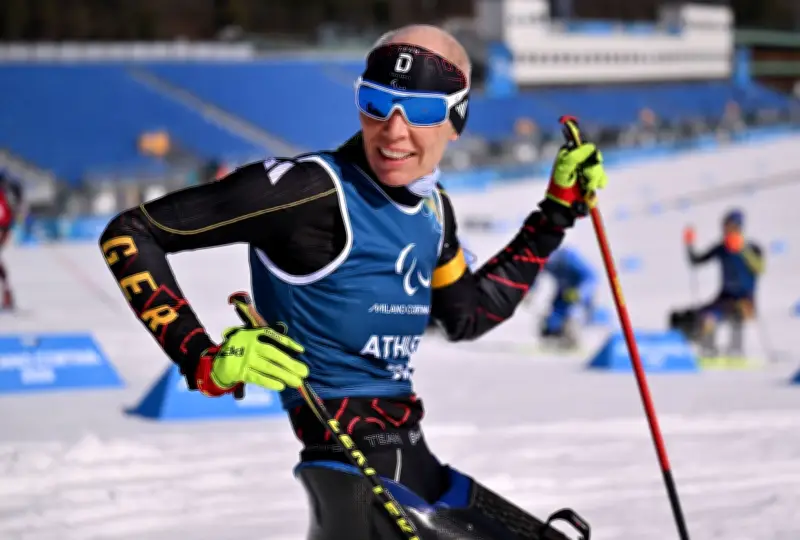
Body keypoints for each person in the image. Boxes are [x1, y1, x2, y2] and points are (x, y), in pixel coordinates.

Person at [99, 25, 608, 539]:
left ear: (457, 119)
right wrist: (204, 359)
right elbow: (131, 233)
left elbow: (467, 315)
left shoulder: (433, 209)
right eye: (376, 103)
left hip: (418, 473)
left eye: (423, 111)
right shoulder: (308, 190)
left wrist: (555, 213)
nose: (393, 131)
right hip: (355, 482)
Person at [670, 209, 764, 357]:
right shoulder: (722, 248)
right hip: (724, 298)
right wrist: (689, 244)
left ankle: (735, 351)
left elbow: (760, 268)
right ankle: (708, 349)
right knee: (701, 316)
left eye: (729, 226)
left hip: (745, 300)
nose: (725, 230)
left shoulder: (752, 248)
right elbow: (696, 261)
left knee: (731, 315)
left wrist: (742, 250)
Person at [539, 246, 597, 349]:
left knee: (574, 313)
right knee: (554, 312)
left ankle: (573, 340)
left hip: (579, 289)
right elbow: (535, 275)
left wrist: (580, 293)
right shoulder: (547, 262)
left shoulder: (570, 259)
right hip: (564, 290)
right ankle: (552, 336)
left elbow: (590, 277)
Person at [0, 173, 22, 310]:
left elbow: (7, 217)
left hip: (3, 228)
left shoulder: (4, 196)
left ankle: (8, 293)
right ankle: (7, 292)